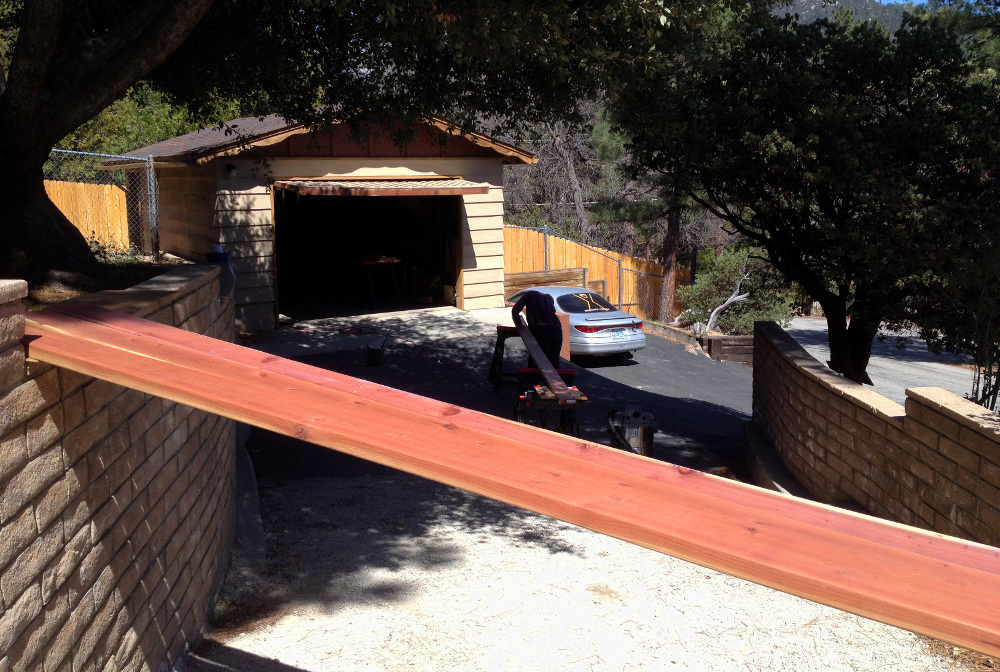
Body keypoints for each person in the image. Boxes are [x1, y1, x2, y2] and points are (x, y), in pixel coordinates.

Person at [511, 290, 563, 367]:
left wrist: (519, 325)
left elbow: (515, 310)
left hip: (541, 329)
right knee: (554, 361)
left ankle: (531, 378)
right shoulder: (548, 303)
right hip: (557, 330)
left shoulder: (530, 294)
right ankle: (555, 378)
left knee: (537, 359)